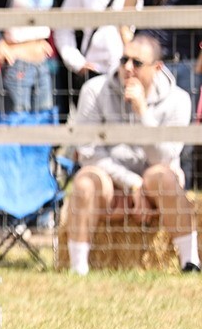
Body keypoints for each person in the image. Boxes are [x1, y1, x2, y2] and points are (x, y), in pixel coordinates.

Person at [66, 34, 199, 275]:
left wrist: (142, 113)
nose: (127, 68)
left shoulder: (178, 99)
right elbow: (87, 152)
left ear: (157, 68)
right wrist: (132, 184)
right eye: (123, 60)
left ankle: (191, 263)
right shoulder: (94, 90)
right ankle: (77, 269)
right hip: (110, 180)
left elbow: (165, 157)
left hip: (156, 182)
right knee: (85, 182)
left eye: (137, 63)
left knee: (163, 176)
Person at [123, 0, 201, 187]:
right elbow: (125, 15)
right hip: (150, 65)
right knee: (145, 125)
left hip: (187, 62)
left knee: (184, 134)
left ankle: (181, 193)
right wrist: (132, 56)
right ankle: (145, 189)